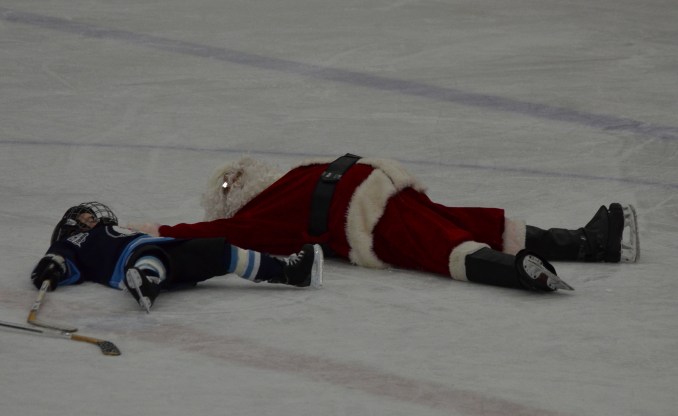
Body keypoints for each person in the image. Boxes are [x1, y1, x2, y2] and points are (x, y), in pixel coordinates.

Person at [130, 153, 639, 295]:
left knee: (439, 246)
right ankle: (590, 243)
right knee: (463, 220)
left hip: (363, 218)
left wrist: (153, 231)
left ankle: (515, 273)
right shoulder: (287, 176)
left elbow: (206, 236)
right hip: (382, 180)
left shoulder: (257, 217)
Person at [31, 201, 323, 313]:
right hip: (131, 261)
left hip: (166, 247)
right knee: (150, 255)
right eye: (85, 217)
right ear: (71, 226)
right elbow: (59, 260)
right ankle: (146, 282)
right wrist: (51, 267)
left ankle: (289, 272)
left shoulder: (114, 229)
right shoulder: (73, 241)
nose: (91, 217)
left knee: (222, 251)